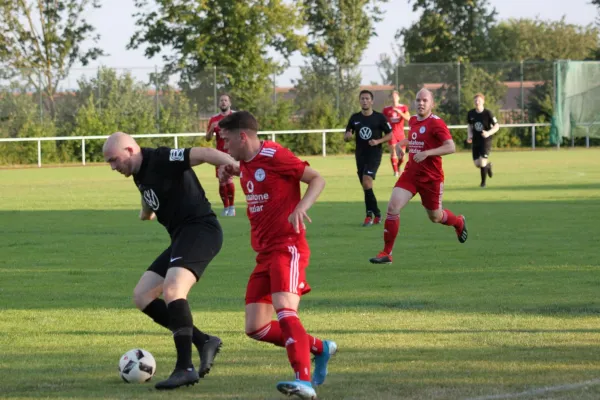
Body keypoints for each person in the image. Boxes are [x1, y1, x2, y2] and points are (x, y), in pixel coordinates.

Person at [102, 132, 238, 390]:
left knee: (173, 290)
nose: (113, 167)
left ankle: (185, 368)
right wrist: (146, 212)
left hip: (201, 230)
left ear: (130, 150)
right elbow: (150, 190)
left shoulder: (162, 157)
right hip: (181, 237)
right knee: (142, 296)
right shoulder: (138, 172)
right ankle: (203, 340)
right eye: (109, 162)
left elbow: (204, 153)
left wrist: (234, 164)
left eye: (114, 160)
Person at [218, 111, 337, 400]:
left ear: (242, 136)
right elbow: (246, 168)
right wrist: (231, 171)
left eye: (227, 140)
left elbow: (317, 179)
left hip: (288, 246)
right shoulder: (245, 162)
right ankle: (320, 348)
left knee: (285, 309)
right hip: (264, 253)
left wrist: (301, 207)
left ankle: (304, 381)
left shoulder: (275, 154)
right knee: (255, 327)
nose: (225, 147)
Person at [369, 89, 468, 265]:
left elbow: (451, 147)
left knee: (436, 217)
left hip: (431, 178)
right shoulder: (413, 120)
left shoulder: (437, 123)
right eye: (418, 100)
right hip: (411, 174)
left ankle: (458, 222)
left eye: (424, 100)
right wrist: (401, 143)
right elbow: (415, 140)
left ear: (432, 104)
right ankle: (386, 253)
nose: (420, 103)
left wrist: (428, 153)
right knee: (393, 207)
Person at [344, 89, 393, 227]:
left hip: (374, 155)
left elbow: (390, 135)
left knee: (366, 182)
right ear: (359, 101)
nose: (364, 101)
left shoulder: (380, 118)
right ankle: (377, 213)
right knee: (366, 187)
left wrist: (377, 141)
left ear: (372, 101)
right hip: (360, 156)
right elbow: (348, 133)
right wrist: (347, 137)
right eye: (362, 99)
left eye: (367, 98)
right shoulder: (355, 118)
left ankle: (368, 216)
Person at [206, 94, 236, 215]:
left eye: (226, 100)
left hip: (231, 153)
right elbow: (207, 138)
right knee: (221, 181)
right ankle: (226, 208)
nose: (223, 102)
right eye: (221, 100)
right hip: (218, 153)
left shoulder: (234, 117)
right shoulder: (213, 119)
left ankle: (232, 207)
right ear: (219, 104)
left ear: (229, 103)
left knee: (228, 179)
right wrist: (211, 129)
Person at [467, 93, 500, 187]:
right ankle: (488, 166)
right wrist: (469, 136)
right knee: (477, 164)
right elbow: (469, 126)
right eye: (475, 101)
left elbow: (497, 126)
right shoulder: (471, 113)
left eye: (479, 101)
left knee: (482, 162)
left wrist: (488, 133)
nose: (477, 102)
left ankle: (483, 183)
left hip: (486, 141)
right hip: (476, 141)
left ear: (483, 102)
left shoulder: (488, 113)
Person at [382, 90, 411, 177]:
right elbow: (382, 120)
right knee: (393, 153)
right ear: (391, 98)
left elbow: (408, 118)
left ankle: (398, 167)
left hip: (401, 134)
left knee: (402, 156)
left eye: (396, 96)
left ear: (398, 97)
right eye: (393, 96)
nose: (394, 98)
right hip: (391, 134)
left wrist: (400, 112)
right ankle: (395, 172)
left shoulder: (403, 108)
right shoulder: (386, 109)